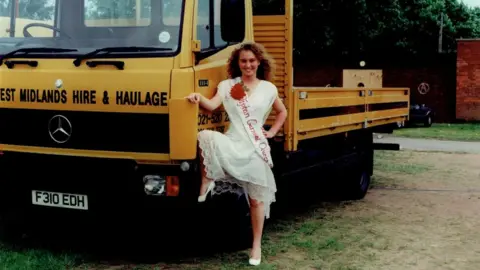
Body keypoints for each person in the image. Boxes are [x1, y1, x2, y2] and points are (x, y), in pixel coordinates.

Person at [185, 42, 287, 266]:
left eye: (252, 60)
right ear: (237, 63)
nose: (248, 64)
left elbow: (282, 111)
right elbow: (211, 106)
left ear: (259, 62)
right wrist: (197, 97)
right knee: (206, 137)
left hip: (255, 147)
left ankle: (256, 246)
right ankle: (207, 179)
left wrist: (272, 131)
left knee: (256, 201)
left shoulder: (269, 88)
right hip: (234, 142)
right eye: (243, 61)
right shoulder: (227, 85)